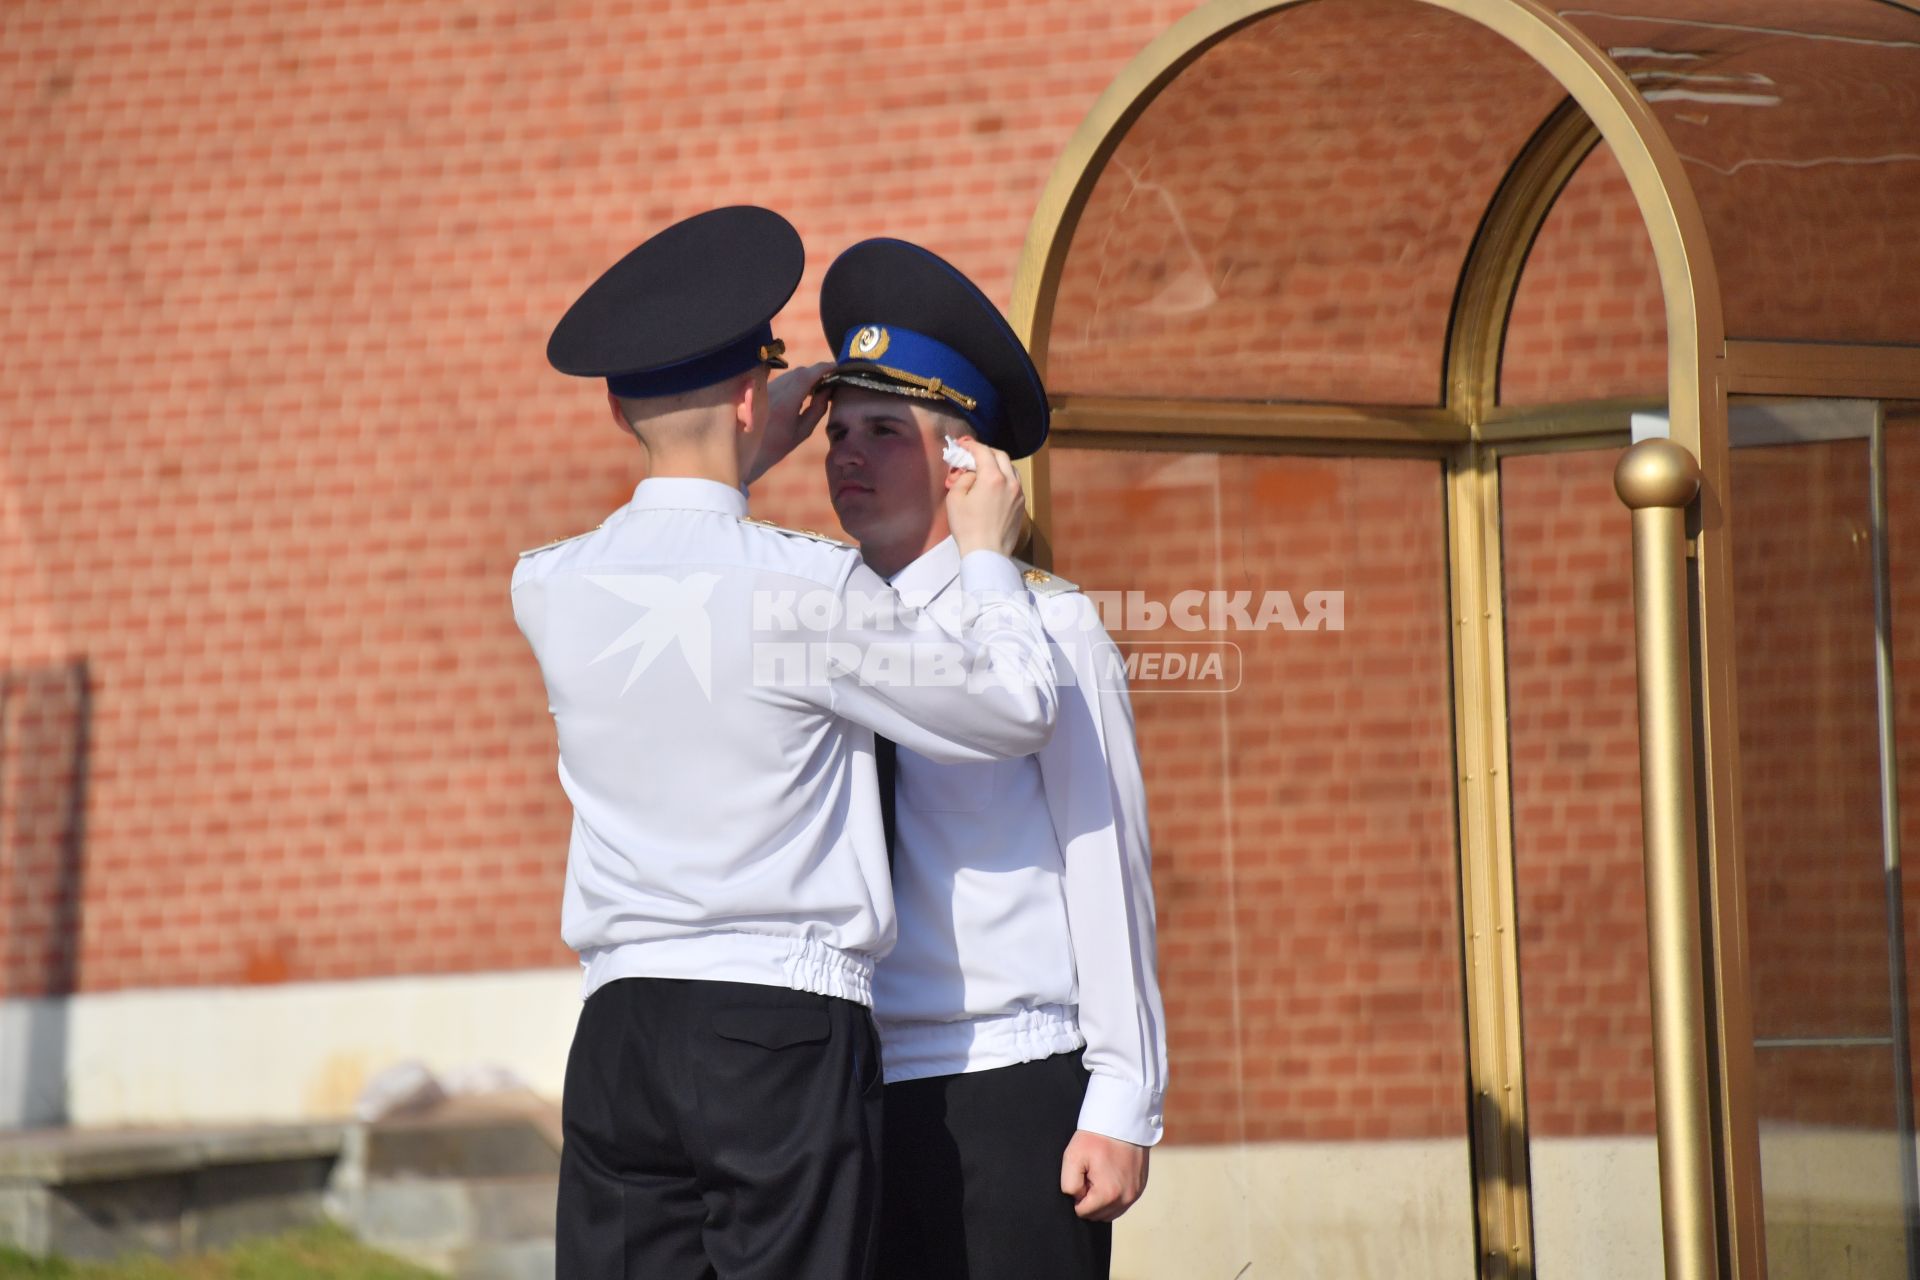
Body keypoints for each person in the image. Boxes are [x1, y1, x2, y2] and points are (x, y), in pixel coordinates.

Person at [514, 207, 1060, 1280]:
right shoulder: (809, 587)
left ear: (617, 401)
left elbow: (686, 538)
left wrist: (732, 448)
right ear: (755, 394)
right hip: (777, 1023)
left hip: (618, 1026)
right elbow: (1012, 707)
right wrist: (990, 557)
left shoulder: (548, 583)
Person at [815, 238, 1168, 1280]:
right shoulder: (817, 625)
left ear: (966, 465)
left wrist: (1123, 1097)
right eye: (836, 429)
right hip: (859, 1092)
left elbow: (1108, 860)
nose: (847, 453)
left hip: (1012, 1082)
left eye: (885, 430)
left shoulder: (1049, 631)